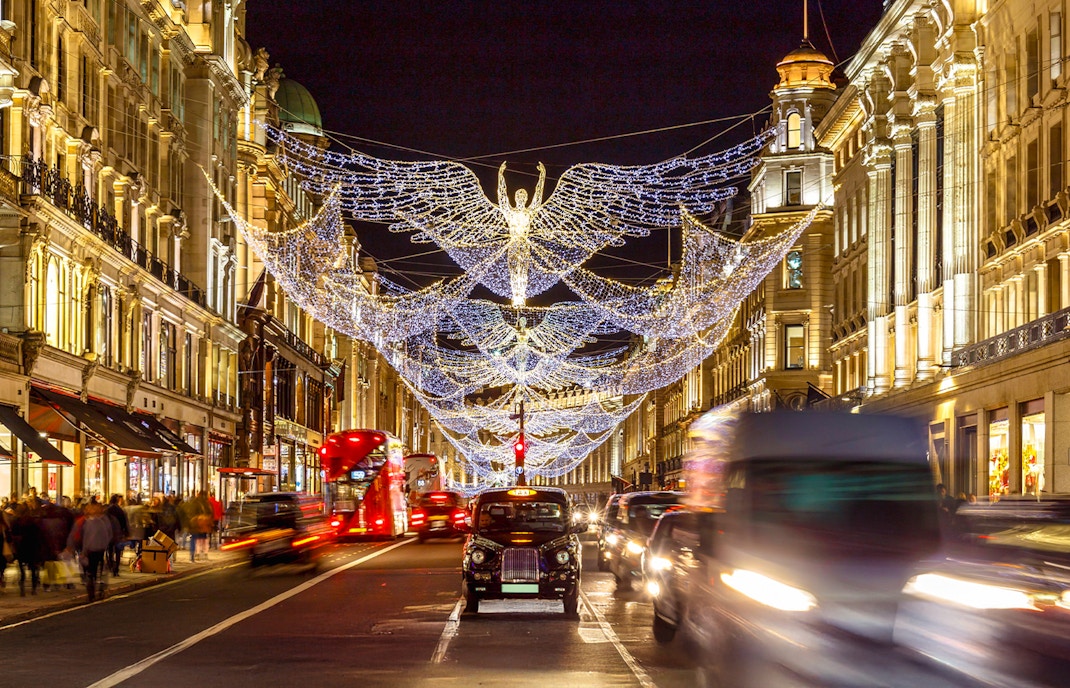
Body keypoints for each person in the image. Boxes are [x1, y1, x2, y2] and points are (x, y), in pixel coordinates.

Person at [73, 503, 113, 602]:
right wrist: (104, 546)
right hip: (100, 549)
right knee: (99, 570)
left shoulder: (89, 523)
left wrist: (84, 550)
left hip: (91, 550)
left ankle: (91, 593)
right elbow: (108, 536)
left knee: (91, 571)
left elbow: (87, 538)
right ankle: (100, 589)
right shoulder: (103, 522)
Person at [105, 494, 129, 577]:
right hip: (118, 533)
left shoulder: (107, 510)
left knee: (110, 550)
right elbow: (124, 521)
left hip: (109, 532)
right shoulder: (119, 510)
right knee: (118, 550)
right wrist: (126, 532)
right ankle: (116, 569)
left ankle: (111, 565)